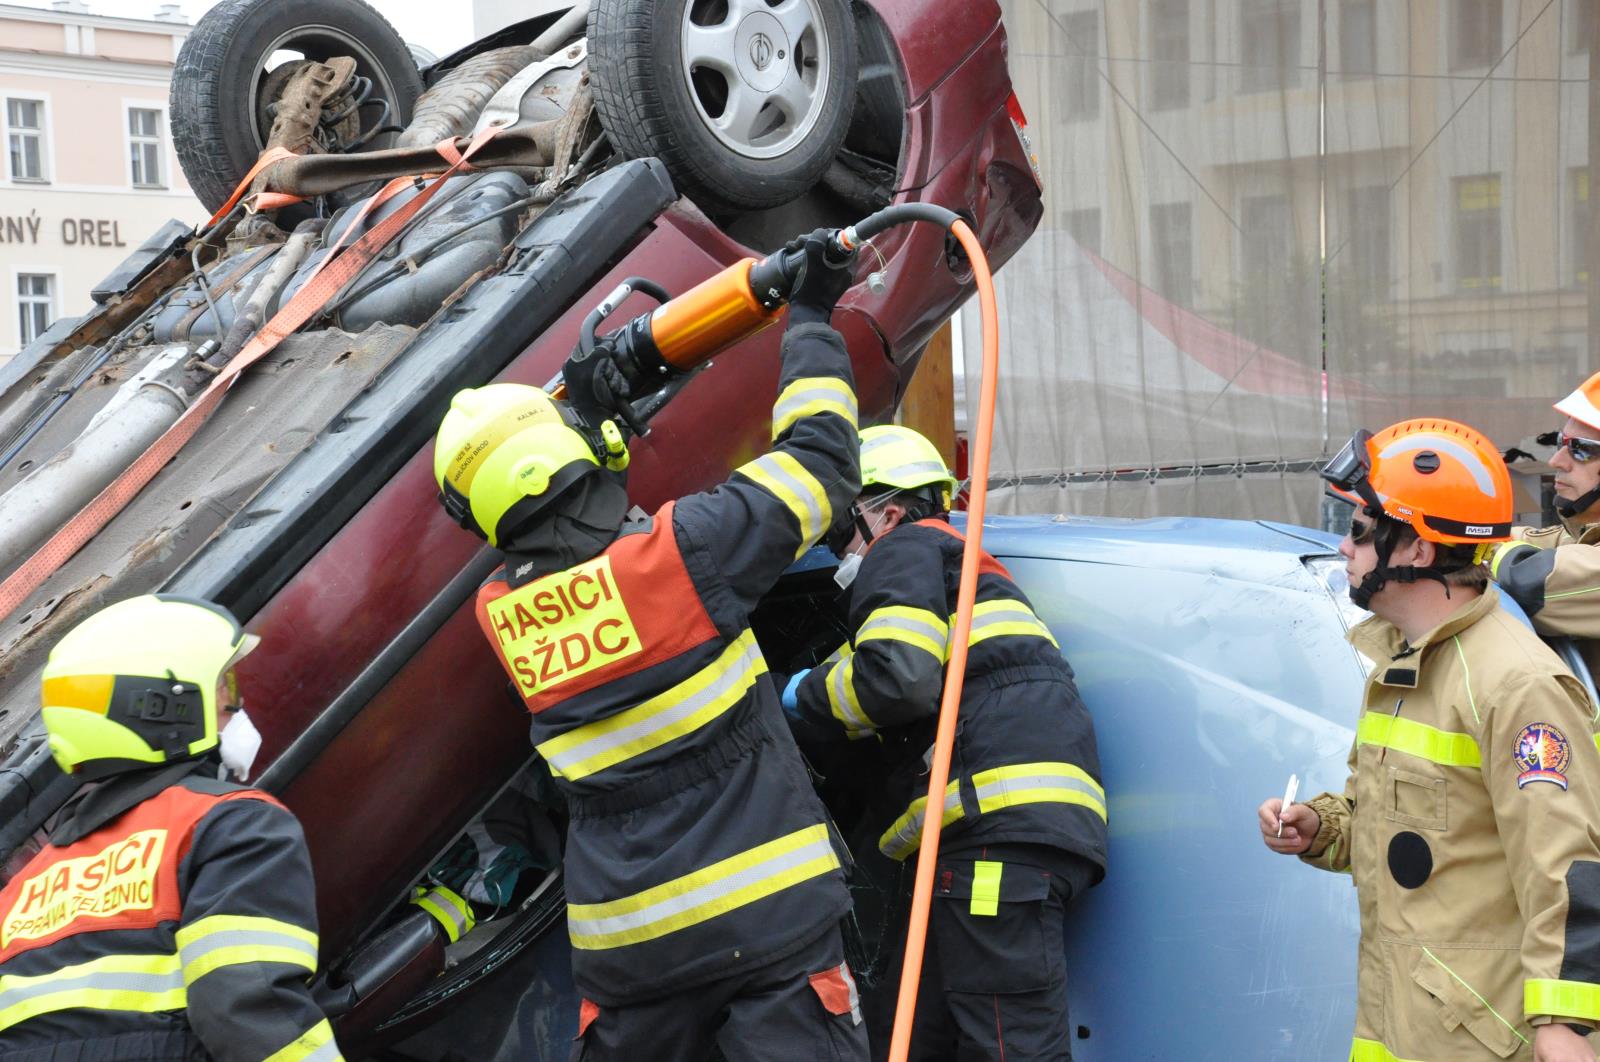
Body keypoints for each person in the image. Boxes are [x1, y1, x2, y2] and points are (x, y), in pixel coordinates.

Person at [432, 232, 869, 1061]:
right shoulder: (687, 554)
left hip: (630, 956)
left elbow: (587, 551)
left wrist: (589, 425)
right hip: (764, 922)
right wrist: (811, 315)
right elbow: (821, 462)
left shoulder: (503, 614)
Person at [1258, 418, 1600, 1062]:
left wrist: (1564, 1025)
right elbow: (1407, 826)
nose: (1343, 550)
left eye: (1359, 531)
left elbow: (1567, 871)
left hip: (1483, 1037)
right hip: (1407, 1029)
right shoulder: (1404, 661)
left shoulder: (1513, 682)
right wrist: (1322, 827)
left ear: (1417, 550)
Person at [783, 425, 1106, 1062]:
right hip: (985, 841)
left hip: (995, 840)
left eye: (841, 532)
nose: (837, 552)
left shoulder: (904, 550)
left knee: (1010, 1047)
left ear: (889, 513)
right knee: (911, 1032)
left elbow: (895, 679)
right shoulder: (959, 573)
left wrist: (793, 693)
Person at [0, 595, 341, 1062]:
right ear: (163, 708)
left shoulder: (23, 890)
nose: (237, 707)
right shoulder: (233, 824)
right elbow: (247, 1008)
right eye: (225, 688)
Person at [1491, 371, 1600, 674]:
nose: (1557, 461)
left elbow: (1531, 583)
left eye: (1581, 448)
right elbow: (1531, 541)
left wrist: (1464, 547)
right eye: (1560, 443)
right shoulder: (1586, 535)